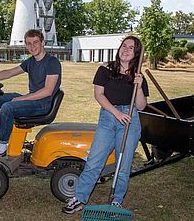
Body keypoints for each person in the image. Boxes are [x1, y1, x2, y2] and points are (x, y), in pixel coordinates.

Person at [62, 36, 149, 214]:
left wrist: (139, 87)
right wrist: (116, 113)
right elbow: (99, 95)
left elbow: (141, 106)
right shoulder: (105, 69)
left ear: (136, 53)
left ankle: (116, 201)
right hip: (109, 117)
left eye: (131, 48)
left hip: (130, 120)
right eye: (124, 46)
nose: (125, 50)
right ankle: (79, 198)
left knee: (123, 165)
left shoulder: (138, 76)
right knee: (94, 161)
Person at [0, 29, 62, 156]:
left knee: (7, 107)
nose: (32, 46)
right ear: (25, 45)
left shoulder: (52, 62)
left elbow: (47, 91)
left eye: (35, 42)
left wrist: (22, 99)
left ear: (43, 42)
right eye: (29, 43)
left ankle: (1, 148)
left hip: (43, 104)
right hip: (31, 100)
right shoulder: (30, 62)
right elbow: (8, 73)